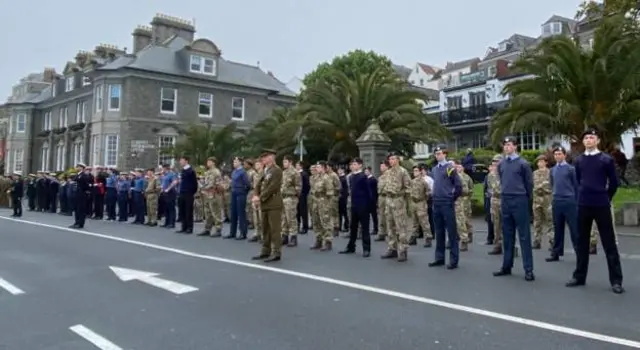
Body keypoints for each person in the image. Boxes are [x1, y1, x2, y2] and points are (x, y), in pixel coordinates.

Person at [566, 128, 624, 294]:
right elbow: (577, 181)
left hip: (601, 205)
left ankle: (616, 280)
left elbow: (614, 182)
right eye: (586, 138)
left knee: (609, 243)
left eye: (592, 138)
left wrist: (606, 197)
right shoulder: (579, 160)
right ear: (583, 142)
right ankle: (579, 276)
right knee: (582, 242)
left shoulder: (606, 159)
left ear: (597, 140)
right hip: (584, 205)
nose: (589, 140)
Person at [493, 136, 535, 282]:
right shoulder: (502, 164)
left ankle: (528, 269)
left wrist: (526, 200)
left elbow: (529, 185)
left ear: (515, 146)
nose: (507, 147)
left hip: (519, 199)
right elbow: (502, 180)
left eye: (510, 144)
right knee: (507, 235)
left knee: (524, 236)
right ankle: (507, 265)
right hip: (506, 200)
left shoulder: (523, 164)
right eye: (505, 145)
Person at [428, 145, 462, 269]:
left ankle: (454, 259)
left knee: (451, 232)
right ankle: (439, 258)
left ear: (445, 154)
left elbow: (458, 186)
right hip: (436, 202)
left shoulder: (450, 168)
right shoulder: (435, 169)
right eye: (436, 153)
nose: (437, 155)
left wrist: (451, 198)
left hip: (446, 203)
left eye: (439, 153)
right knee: (439, 231)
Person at [546, 146, 579, 262]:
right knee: (557, 228)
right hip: (557, 200)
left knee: (574, 228)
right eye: (556, 154)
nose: (558, 156)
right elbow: (552, 184)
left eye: (560, 154)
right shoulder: (552, 170)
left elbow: (576, 186)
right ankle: (556, 252)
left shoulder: (571, 169)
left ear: (564, 155)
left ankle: (579, 252)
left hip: (569, 201)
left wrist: (576, 201)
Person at [252, 149, 283, 262]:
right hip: (265, 203)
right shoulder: (265, 170)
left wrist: (260, 197)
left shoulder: (276, 170)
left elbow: (273, 187)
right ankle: (265, 250)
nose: (262, 159)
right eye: (262, 157)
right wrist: (256, 195)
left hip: (273, 203)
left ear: (271, 157)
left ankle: (276, 252)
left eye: (265, 157)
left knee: (275, 229)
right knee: (265, 229)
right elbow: (258, 184)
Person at [339, 157, 372, 257]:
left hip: (363, 206)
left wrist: (368, 206)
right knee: (353, 228)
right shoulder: (352, 177)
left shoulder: (363, 177)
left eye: (355, 164)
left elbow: (368, 192)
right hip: (354, 205)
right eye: (352, 164)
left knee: (365, 229)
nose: (352, 166)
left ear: (360, 165)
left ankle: (366, 249)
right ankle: (351, 247)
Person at [226, 157, 250, 239]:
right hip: (233, 193)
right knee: (233, 213)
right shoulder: (234, 172)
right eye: (234, 162)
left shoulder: (243, 172)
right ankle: (232, 232)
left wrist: (243, 192)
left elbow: (247, 184)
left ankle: (243, 233)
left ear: (240, 163)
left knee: (241, 214)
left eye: (236, 162)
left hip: (240, 193)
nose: (234, 163)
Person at [176, 156, 197, 234]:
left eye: (182, 160)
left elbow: (194, 183)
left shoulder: (191, 171)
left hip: (188, 193)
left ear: (186, 161)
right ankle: (183, 227)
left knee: (188, 211)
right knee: (182, 210)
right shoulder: (183, 170)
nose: (180, 162)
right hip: (181, 192)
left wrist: (191, 192)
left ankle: (189, 227)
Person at [71, 163, 91, 229]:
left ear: (82, 168)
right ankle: (76, 222)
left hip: (82, 194)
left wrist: (84, 191)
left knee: (81, 209)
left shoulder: (84, 175)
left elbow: (86, 185)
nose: (76, 168)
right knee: (77, 209)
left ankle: (80, 223)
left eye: (78, 167)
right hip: (77, 194)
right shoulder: (77, 175)